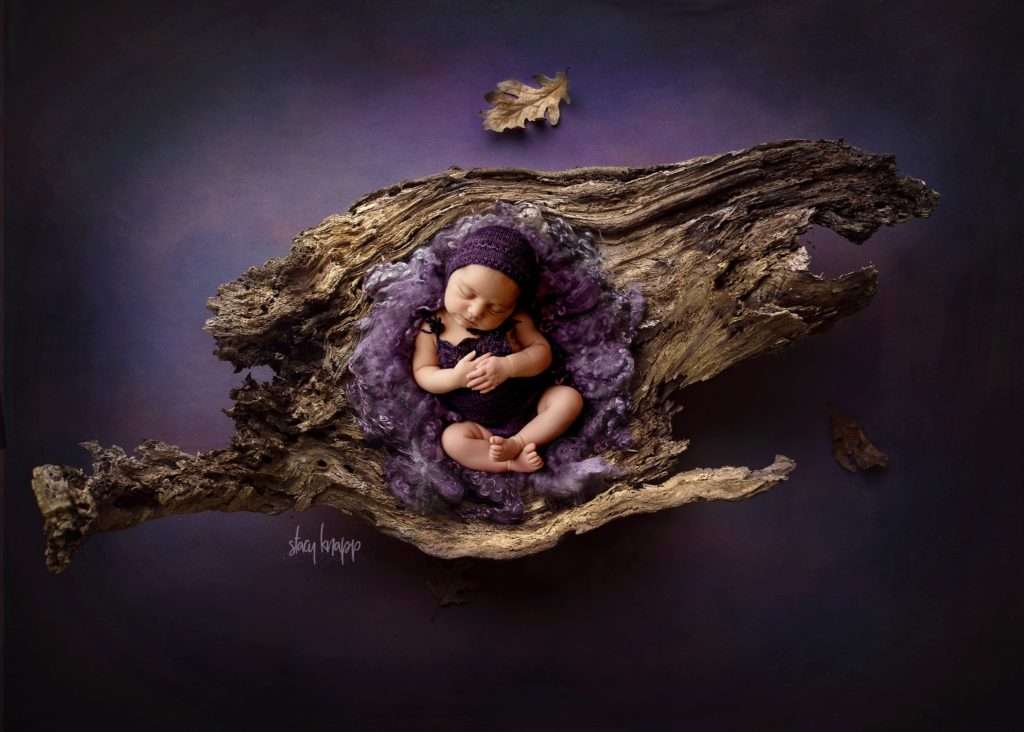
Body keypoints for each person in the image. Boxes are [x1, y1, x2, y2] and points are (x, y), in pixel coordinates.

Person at [411, 224, 584, 473]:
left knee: (568, 398)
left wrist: (508, 366)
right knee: (452, 439)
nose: (475, 311)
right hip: (479, 428)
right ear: (451, 275)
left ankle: (520, 442)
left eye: (496, 309)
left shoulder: (516, 321)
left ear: (512, 307)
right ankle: (510, 463)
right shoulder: (433, 327)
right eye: (467, 293)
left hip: (533, 407)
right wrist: (455, 378)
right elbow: (423, 371)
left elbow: (542, 353)